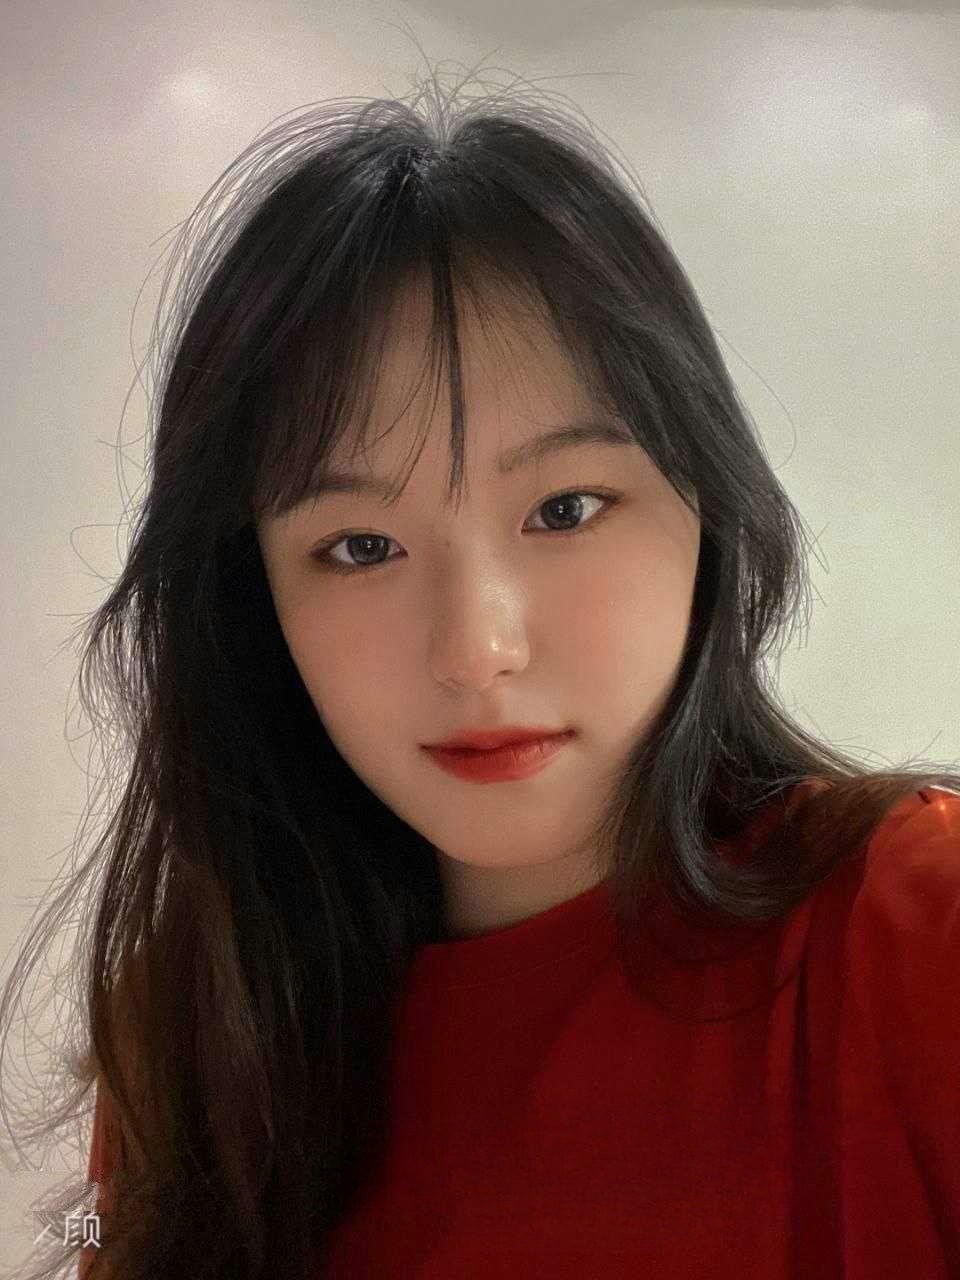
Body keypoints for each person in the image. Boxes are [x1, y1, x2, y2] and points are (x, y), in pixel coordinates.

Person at [2, 71, 957, 1280]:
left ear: (707, 511)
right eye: (360, 546)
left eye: (565, 508)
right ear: (255, 602)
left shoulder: (910, 933)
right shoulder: (201, 1027)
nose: (476, 647)